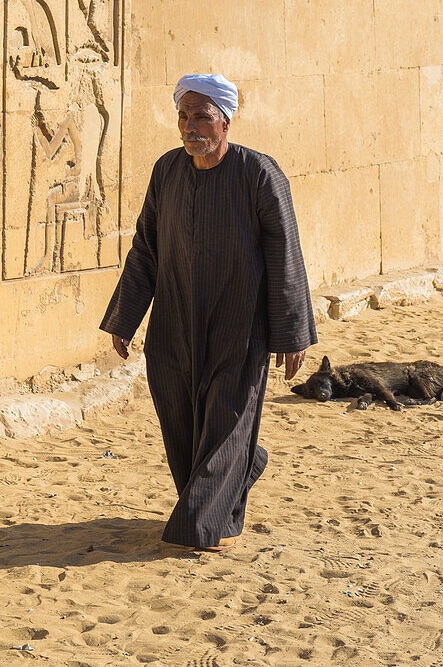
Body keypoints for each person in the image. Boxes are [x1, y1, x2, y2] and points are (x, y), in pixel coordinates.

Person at [100, 72, 317, 552]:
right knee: (181, 424)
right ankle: (244, 467)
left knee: (223, 425)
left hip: (238, 328)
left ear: (226, 120)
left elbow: (286, 254)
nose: (189, 126)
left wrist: (292, 333)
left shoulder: (259, 174)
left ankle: (195, 529)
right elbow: (145, 249)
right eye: (183, 115)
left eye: (202, 116)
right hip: (173, 324)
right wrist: (125, 317)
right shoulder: (166, 171)